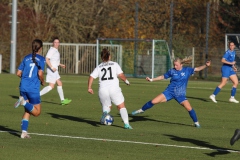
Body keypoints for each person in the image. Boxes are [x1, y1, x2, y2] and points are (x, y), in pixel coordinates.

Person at [132, 56, 211, 128]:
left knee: (188, 107)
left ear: (181, 65)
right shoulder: (172, 71)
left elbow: (197, 69)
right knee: (153, 101)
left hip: (180, 94)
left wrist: (205, 65)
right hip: (169, 92)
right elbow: (163, 76)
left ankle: (196, 123)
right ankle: (141, 110)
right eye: (174, 65)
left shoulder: (187, 70)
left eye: (176, 65)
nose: (175, 66)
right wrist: (152, 79)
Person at [88, 48, 133, 129]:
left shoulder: (99, 67)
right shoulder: (115, 64)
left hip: (103, 90)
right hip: (114, 89)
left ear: (102, 58)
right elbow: (121, 75)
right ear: (109, 56)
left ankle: (105, 112)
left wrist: (89, 87)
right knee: (121, 106)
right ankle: (126, 124)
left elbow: (91, 76)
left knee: (108, 106)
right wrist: (126, 81)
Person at [14, 39, 46, 138]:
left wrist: (26, 78)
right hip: (33, 88)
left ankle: (24, 132)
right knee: (37, 112)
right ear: (40, 48)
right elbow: (40, 73)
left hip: (23, 87)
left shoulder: (26, 58)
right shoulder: (41, 59)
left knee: (28, 110)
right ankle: (22, 101)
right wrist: (42, 81)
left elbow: (18, 73)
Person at [40, 37, 72, 105]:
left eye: (58, 42)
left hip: (55, 70)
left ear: (59, 43)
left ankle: (63, 100)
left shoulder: (56, 50)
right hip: (52, 70)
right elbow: (47, 59)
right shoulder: (52, 50)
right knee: (51, 86)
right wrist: (51, 67)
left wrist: (60, 64)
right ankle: (36, 96)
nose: (56, 43)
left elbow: (54, 61)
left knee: (60, 83)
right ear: (53, 43)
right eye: (55, 42)